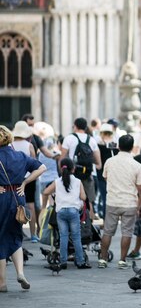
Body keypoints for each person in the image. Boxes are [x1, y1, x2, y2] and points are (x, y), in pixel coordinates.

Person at [0, 125, 46, 292]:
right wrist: (25, 182)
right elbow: (42, 167)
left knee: (1, 238)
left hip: (1, 198)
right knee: (15, 236)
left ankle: (2, 282)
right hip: (18, 198)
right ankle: (20, 273)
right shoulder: (20, 156)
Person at [99, 134, 141, 269]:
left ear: (118, 146)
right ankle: (122, 260)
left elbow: (106, 178)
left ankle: (103, 259)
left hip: (112, 201)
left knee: (108, 231)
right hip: (129, 203)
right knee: (127, 232)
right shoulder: (137, 165)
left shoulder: (109, 161)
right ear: (132, 148)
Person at [43, 158, 90, 269]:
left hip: (61, 212)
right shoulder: (78, 182)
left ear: (61, 168)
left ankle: (63, 262)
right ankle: (80, 262)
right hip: (73, 211)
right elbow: (83, 197)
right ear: (73, 169)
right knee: (76, 237)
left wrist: (56, 194)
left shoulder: (57, 181)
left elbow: (45, 192)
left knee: (63, 237)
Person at [61, 117, 101, 218]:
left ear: (75, 126)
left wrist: (62, 172)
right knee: (89, 200)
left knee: (72, 199)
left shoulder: (69, 138)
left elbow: (62, 158)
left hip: (72, 174)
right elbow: (98, 161)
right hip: (87, 174)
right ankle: (89, 225)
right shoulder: (91, 140)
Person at [11, 120, 39, 242]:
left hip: (14, 179)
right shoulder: (29, 146)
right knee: (30, 206)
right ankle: (33, 234)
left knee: (15, 206)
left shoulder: (10, 145)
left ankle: (16, 234)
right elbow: (35, 164)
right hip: (28, 179)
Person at [96, 122, 118, 218]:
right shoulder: (114, 144)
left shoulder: (99, 145)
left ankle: (106, 219)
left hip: (102, 173)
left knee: (105, 197)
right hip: (114, 173)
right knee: (113, 196)